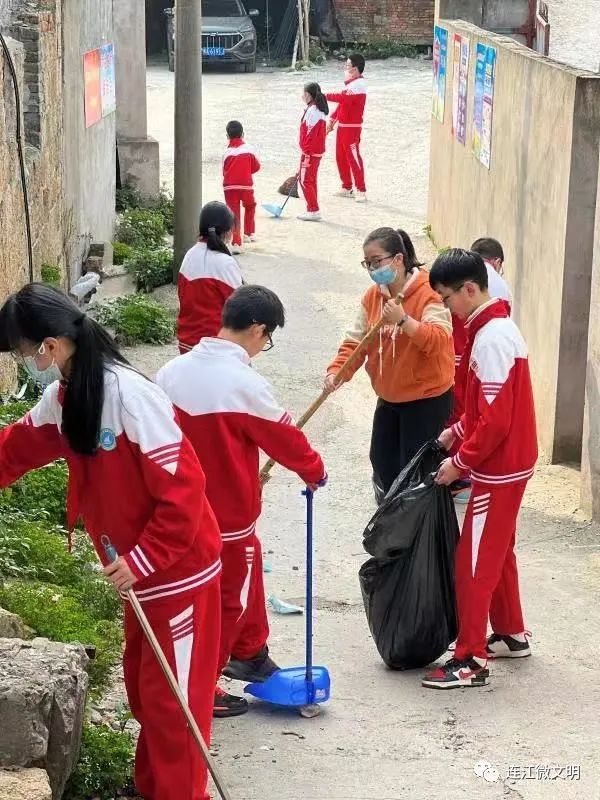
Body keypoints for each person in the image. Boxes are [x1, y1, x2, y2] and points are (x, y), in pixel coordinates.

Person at [0, 284, 222, 800]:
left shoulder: (128, 396)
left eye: (21, 351)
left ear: (50, 347)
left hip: (177, 574)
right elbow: (14, 450)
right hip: (138, 578)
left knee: (176, 707)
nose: (22, 361)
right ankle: (154, 789)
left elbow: (184, 489)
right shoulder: (66, 395)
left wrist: (144, 559)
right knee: (147, 696)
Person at [157, 285, 327, 718]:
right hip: (226, 517)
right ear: (257, 329)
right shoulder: (245, 384)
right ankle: (206, 683)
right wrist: (315, 471)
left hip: (177, 510)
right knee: (226, 600)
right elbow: (286, 440)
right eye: (265, 340)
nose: (261, 348)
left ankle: (250, 651)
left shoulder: (170, 373)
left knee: (242, 584)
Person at [423, 249, 537, 690]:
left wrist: (459, 463)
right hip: (510, 462)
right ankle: (510, 632)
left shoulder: (491, 339)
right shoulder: (493, 329)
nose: (447, 307)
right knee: (497, 550)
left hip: (497, 467)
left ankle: (470, 658)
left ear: (470, 289)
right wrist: (455, 431)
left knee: (472, 561)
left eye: (448, 298)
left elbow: (495, 420)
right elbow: (485, 408)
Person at [323, 227, 454, 500]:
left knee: (415, 471)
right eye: (367, 263)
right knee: (381, 461)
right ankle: (391, 521)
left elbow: (439, 340)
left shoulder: (428, 292)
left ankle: (413, 532)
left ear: (398, 259)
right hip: (390, 395)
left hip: (426, 399)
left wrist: (404, 321)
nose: (371, 268)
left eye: (376, 261)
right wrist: (338, 371)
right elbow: (357, 342)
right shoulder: (373, 297)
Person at [449, 237, 512, 502]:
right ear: (497, 262)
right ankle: (461, 477)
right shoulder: (499, 285)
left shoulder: (462, 276)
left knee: (461, 413)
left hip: (457, 356)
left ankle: (459, 472)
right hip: (470, 357)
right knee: (467, 412)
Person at [177, 201, 243, 354]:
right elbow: (241, 307)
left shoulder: (190, 254)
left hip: (186, 343)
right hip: (215, 346)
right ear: (228, 231)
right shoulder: (225, 262)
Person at [326, 53, 368, 202]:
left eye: (348, 66)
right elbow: (343, 104)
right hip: (343, 127)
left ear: (355, 69)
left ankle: (361, 190)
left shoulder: (359, 85)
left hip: (352, 128)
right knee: (340, 157)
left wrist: (323, 96)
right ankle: (347, 186)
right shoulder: (351, 84)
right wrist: (332, 119)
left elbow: (342, 98)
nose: (346, 68)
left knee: (354, 158)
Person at [223, 120, 261, 253]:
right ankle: (249, 233)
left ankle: (236, 243)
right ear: (243, 134)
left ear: (227, 136)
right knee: (250, 206)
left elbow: (224, 171)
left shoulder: (226, 152)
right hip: (246, 186)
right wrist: (245, 172)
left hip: (229, 187)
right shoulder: (249, 149)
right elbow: (256, 167)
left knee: (234, 214)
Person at [297, 82, 329, 223]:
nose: (302, 96)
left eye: (304, 93)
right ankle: (313, 208)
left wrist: (307, 153)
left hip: (310, 152)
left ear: (309, 95)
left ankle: (313, 210)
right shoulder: (315, 109)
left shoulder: (313, 111)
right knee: (310, 180)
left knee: (305, 180)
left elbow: (311, 134)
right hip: (313, 151)